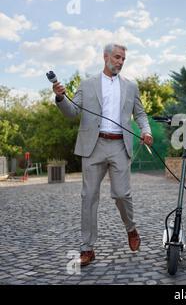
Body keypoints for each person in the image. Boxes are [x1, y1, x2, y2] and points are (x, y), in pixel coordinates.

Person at [53, 43, 153, 266]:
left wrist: (145, 131)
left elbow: (141, 114)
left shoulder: (131, 86)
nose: (120, 61)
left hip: (120, 146)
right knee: (88, 197)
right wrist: (61, 98)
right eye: (117, 57)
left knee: (121, 194)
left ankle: (131, 229)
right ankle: (87, 248)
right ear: (105, 57)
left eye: (123, 59)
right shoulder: (87, 84)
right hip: (93, 146)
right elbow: (72, 112)